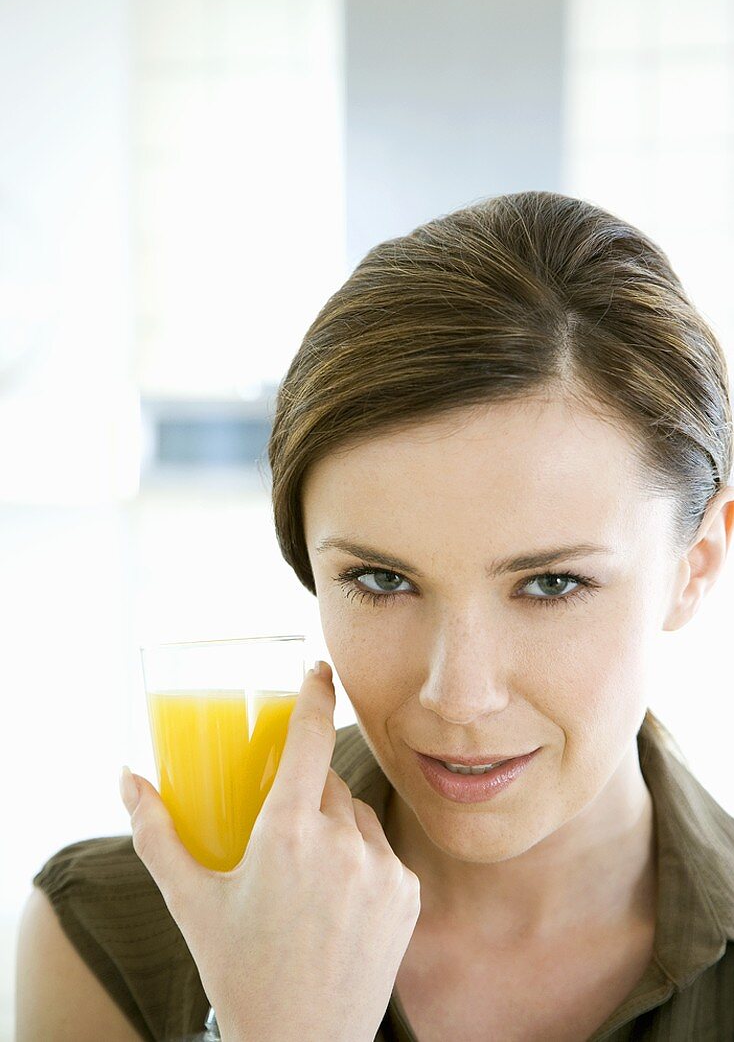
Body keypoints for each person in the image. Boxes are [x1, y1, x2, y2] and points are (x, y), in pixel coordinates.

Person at [16, 191, 734, 1042]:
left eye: (549, 585)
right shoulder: (113, 935)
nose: (458, 696)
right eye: (383, 579)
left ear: (696, 566)